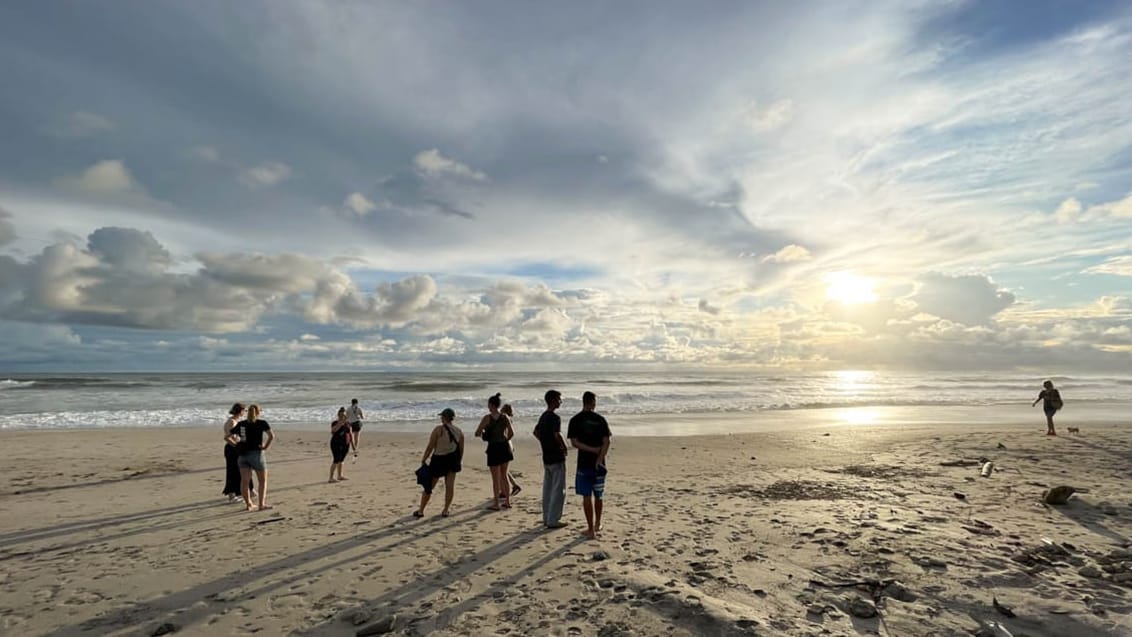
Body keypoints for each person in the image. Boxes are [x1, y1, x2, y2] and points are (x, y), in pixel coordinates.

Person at [568, 391, 611, 540]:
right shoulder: (600, 420)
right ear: (593, 402)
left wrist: (590, 450)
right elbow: (607, 442)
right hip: (599, 464)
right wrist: (599, 457)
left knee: (586, 496)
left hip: (584, 463)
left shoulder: (575, 420)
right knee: (599, 495)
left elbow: (574, 442)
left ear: (583, 401)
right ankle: (598, 523)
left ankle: (591, 528)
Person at [414, 408, 465, 518]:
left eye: (442, 416)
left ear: (444, 418)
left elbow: (430, 447)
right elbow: (461, 449)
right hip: (453, 460)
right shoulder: (459, 431)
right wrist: (458, 462)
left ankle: (421, 510)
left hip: (439, 459)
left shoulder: (438, 430)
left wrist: (424, 459)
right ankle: (446, 510)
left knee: (429, 486)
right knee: (449, 486)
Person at [227, 403, 275, 511]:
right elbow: (272, 436)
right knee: (262, 481)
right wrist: (265, 447)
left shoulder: (242, 424)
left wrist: (235, 445)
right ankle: (261, 504)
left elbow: (227, 437)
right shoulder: (262, 423)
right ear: (258, 413)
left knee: (245, 481)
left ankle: (249, 504)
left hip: (243, 455)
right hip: (256, 454)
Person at [533, 390, 568, 529]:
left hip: (546, 455)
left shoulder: (543, 416)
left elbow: (536, 432)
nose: (560, 401)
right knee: (558, 489)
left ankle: (547, 516)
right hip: (556, 456)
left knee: (547, 488)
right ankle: (553, 519)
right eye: (559, 399)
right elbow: (557, 434)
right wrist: (564, 447)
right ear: (553, 400)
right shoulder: (554, 417)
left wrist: (544, 441)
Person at [474, 393, 514, 511]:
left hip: (493, 448)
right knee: (504, 475)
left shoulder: (487, 418)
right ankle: (507, 501)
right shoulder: (505, 417)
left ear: (491, 405)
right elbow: (511, 433)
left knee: (495, 478)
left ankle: (496, 503)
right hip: (504, 447)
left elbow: (477, 432)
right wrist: (505, 439)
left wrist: (484, 434)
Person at [221, 403, 254, 502]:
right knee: (233, 471)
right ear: (240, 411)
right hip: (232, 449)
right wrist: (236, 447)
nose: (245, 413)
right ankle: (231, 495)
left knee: (242, 470)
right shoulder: (231, 422)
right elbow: (228, 437)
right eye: (245, 411)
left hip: (236, 447)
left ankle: (249, 490)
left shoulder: (237, 421)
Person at [499, 403, 522, 498]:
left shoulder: (503, 419)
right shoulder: (508, 420)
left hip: (505, 444)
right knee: (504, 470)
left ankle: (504, 490)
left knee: (501, 470)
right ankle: (514, 485)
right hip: (509, 444)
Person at [329, 407, 351, 483]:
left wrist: (353, 445)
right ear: (338, 415)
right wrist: (340, 422)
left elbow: (349, 434)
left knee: (341, 460)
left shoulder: (348, 424)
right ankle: (331, 478)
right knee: (336, 460)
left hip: (345, 443)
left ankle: (340, 475)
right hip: (335, 443)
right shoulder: (335, 423)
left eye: (344, 415)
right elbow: (333, 431)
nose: (342, 416)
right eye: (341, 415)